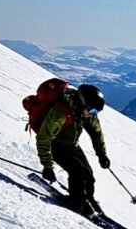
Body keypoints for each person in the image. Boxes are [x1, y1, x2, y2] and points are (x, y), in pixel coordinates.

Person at [34, 82, 110, 214]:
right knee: (77, 170)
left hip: (71, 144)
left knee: (88, 174)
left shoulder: (86, 113)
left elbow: (96, 133)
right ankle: (77, 203)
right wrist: (47, 166)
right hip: (55, 145)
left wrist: (102, 155)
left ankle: (88, 198)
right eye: (92, 110)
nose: (93, 114)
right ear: (82, 103)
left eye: (96, 111)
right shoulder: (61, 113)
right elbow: (43, 138)